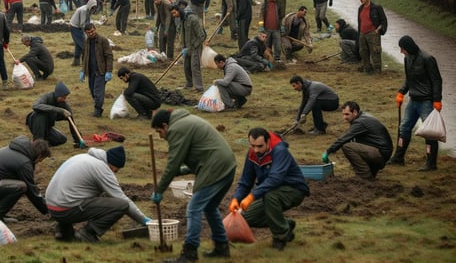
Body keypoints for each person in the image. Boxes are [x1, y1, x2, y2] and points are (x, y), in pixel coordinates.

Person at [150, 109, 237, 262]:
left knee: (193, 208)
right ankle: (222, 247)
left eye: (159, 132)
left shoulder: (177, 128)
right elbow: (202, 153)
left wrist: (160, 189)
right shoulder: (187, 121)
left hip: (215, 168)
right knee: (210, 207)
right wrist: (180, 171)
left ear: (165, 125)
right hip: (227, 165)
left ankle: (189, 253)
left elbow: (173, 163)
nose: (161, 136)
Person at [46, 146, 148, 243]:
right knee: (122, 205)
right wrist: (145, 220)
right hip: (66, 210)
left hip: (52, 208)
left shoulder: (83, 157)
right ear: (111, 164)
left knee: (78, 195)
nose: (115, 173)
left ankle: (63, 230)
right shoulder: (102, 169)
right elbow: (122, 198)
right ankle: (87, 233)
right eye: (116, 170)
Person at [229, 127, 309, 252]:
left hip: (294, 190)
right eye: (253, 146)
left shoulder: (280, 151)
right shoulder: (252, 154)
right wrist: (236, 198)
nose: (256, 150)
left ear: (268, 142)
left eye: (260, 146)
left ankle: (280, 238)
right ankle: (285, 225)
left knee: (270, 196)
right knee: (244, 218)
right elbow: (245, 182)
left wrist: (252, 196)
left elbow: (275, 179)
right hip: (270, 193)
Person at [388, 35, 443, 171]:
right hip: (413, 101)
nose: (401, 52)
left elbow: (437, 80)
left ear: (408, 47)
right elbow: (409, 78)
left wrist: (437, 100)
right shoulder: (408, 58)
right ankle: (399, 158)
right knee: (404, 127)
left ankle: (431, 163)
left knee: (429, 133)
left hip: (426, 102)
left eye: (402, 49)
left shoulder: (427, 59)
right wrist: (401, 92)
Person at [0, 137, 51, 222]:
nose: (39, 162)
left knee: (12, 185)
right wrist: (47, 210)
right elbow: (32, 191)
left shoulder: (16, 150)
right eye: (41, 160)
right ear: (39, 156)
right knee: (20, 187)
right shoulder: (24, 163)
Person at [323, 101, 393, 179]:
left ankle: (364, 175)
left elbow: (344, 138)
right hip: (380, 150)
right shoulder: (363, 117)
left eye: (347, 114)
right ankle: (370, 172)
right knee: (354, 143)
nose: (344, 117)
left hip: (380, 153)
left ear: (355, 112)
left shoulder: (360, 122)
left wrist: (328, 151)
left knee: (348, 147)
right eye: (343, 114)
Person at [27, 82, 83, 147]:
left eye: (65, 97)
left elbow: (71, 122)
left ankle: (44, 143)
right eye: (62, 97)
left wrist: (78, 139)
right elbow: (35, 106)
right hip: (36, 124)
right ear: (57, 95)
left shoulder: (63, 104)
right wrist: (59, 110)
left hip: (47, 128)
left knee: (62, 139)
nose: (64, 99)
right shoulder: (46, 97)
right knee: (41, 115)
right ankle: (37, 143)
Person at [80, 23, 113, 118]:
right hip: (91, 71)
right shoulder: (86, 42)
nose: (91, 34)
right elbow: (85, 56)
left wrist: (109, 71)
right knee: (92, 91)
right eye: (88, 32)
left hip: (101, 71)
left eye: (92, 31)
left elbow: (109, 56)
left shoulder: (103, 41)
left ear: (95, 29)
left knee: (98, 91)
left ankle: (97, 110)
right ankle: (98, 107)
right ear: (86, 33)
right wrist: (83, 70)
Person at [173, 4, 205, 92]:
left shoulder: (193, 19)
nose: (174, 15)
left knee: (195, 66)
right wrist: (183, 47)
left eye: (174, 13)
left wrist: (193, 46)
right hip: (186, 47)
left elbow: (202, 36)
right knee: (186, 66)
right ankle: (189, 84)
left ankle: (199, 87)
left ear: (179, 11)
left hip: (195, 47)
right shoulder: (182, 20)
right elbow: (183, 35)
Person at [357, 0, 388, 74]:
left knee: (375, 51)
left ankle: (377, 71)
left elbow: (383, 20)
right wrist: (359, 33)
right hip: (362, 33)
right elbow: (360, 22)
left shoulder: (377, 8)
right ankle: (367, 69)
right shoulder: (360, 8)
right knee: (363, 51)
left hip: (373, 34)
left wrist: (378, 30)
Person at [68, 0, 98, 66]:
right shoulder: (83, 10)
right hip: (74, 27)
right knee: (84, 45)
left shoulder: (90, 9)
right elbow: (82, 24)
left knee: (78, 45)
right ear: (90, 4)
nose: (94, 8)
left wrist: (91, 27)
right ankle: (86, 62)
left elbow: (88, 20)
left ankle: (76, 62)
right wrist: (87, 33)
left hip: (79, 26)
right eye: (93, 7)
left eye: (95, 7)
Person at [260, 0, 282, 64]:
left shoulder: (278, 3)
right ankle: (268, 58)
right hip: (266, 28)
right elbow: (261, 15)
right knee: (267, 45)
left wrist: (281, 25)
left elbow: (281, 15)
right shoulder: (265, 2)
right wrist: (261, 26)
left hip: (276, 28)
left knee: (278, 45)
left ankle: (277, 58)